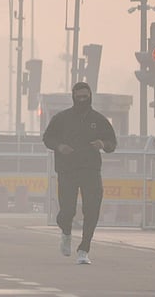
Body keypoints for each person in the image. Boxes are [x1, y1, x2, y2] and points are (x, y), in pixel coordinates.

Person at [42, 81, 117, 265]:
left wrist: (103, 144)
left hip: (90, 170)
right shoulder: (62, 118)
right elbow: (48, 138)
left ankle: (84, 249)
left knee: (91, 209)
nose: (83, 100)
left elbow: (112, 143)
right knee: (67, 210)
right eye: (79, 97)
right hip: (67, 169)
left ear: (90, 96)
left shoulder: (99, 120)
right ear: (73, 97)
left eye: (86, 97)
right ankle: (66, 232)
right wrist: (59, 146)